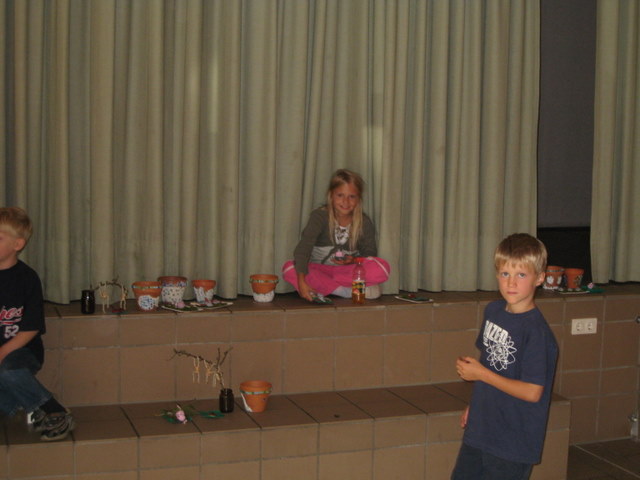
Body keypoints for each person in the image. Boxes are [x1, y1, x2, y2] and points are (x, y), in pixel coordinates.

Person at [451, 233, 558, 480]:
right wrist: (475, 404)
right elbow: (490, 362)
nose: (511, 283)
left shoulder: (536, 332)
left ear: (539, 278)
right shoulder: (494, 311)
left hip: (513, 440)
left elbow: (533, 392)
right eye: (505, 273)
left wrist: (481, 374)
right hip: (482, 428)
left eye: (521, 275)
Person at [0, 207, 75, 441]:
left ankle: (54, 410)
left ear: (18, 244)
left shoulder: (26, 278)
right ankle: (32, 408)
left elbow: (31, 327)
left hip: (22, 351)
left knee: (7, 370)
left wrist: (1, 352)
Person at [282, 169, 390, 302]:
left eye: (352, 196)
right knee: (290, 268)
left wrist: (353, 260)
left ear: (359, 199)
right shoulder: (319, 217)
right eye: (340, 195)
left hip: (346, 273)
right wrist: (301, 282)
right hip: (319, 270)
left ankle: (328, 288)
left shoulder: (364, 222)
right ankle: (347, 292)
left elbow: (370, 255)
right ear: (331, 195)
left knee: (382, 267)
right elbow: (303, 249)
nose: (346, 202)